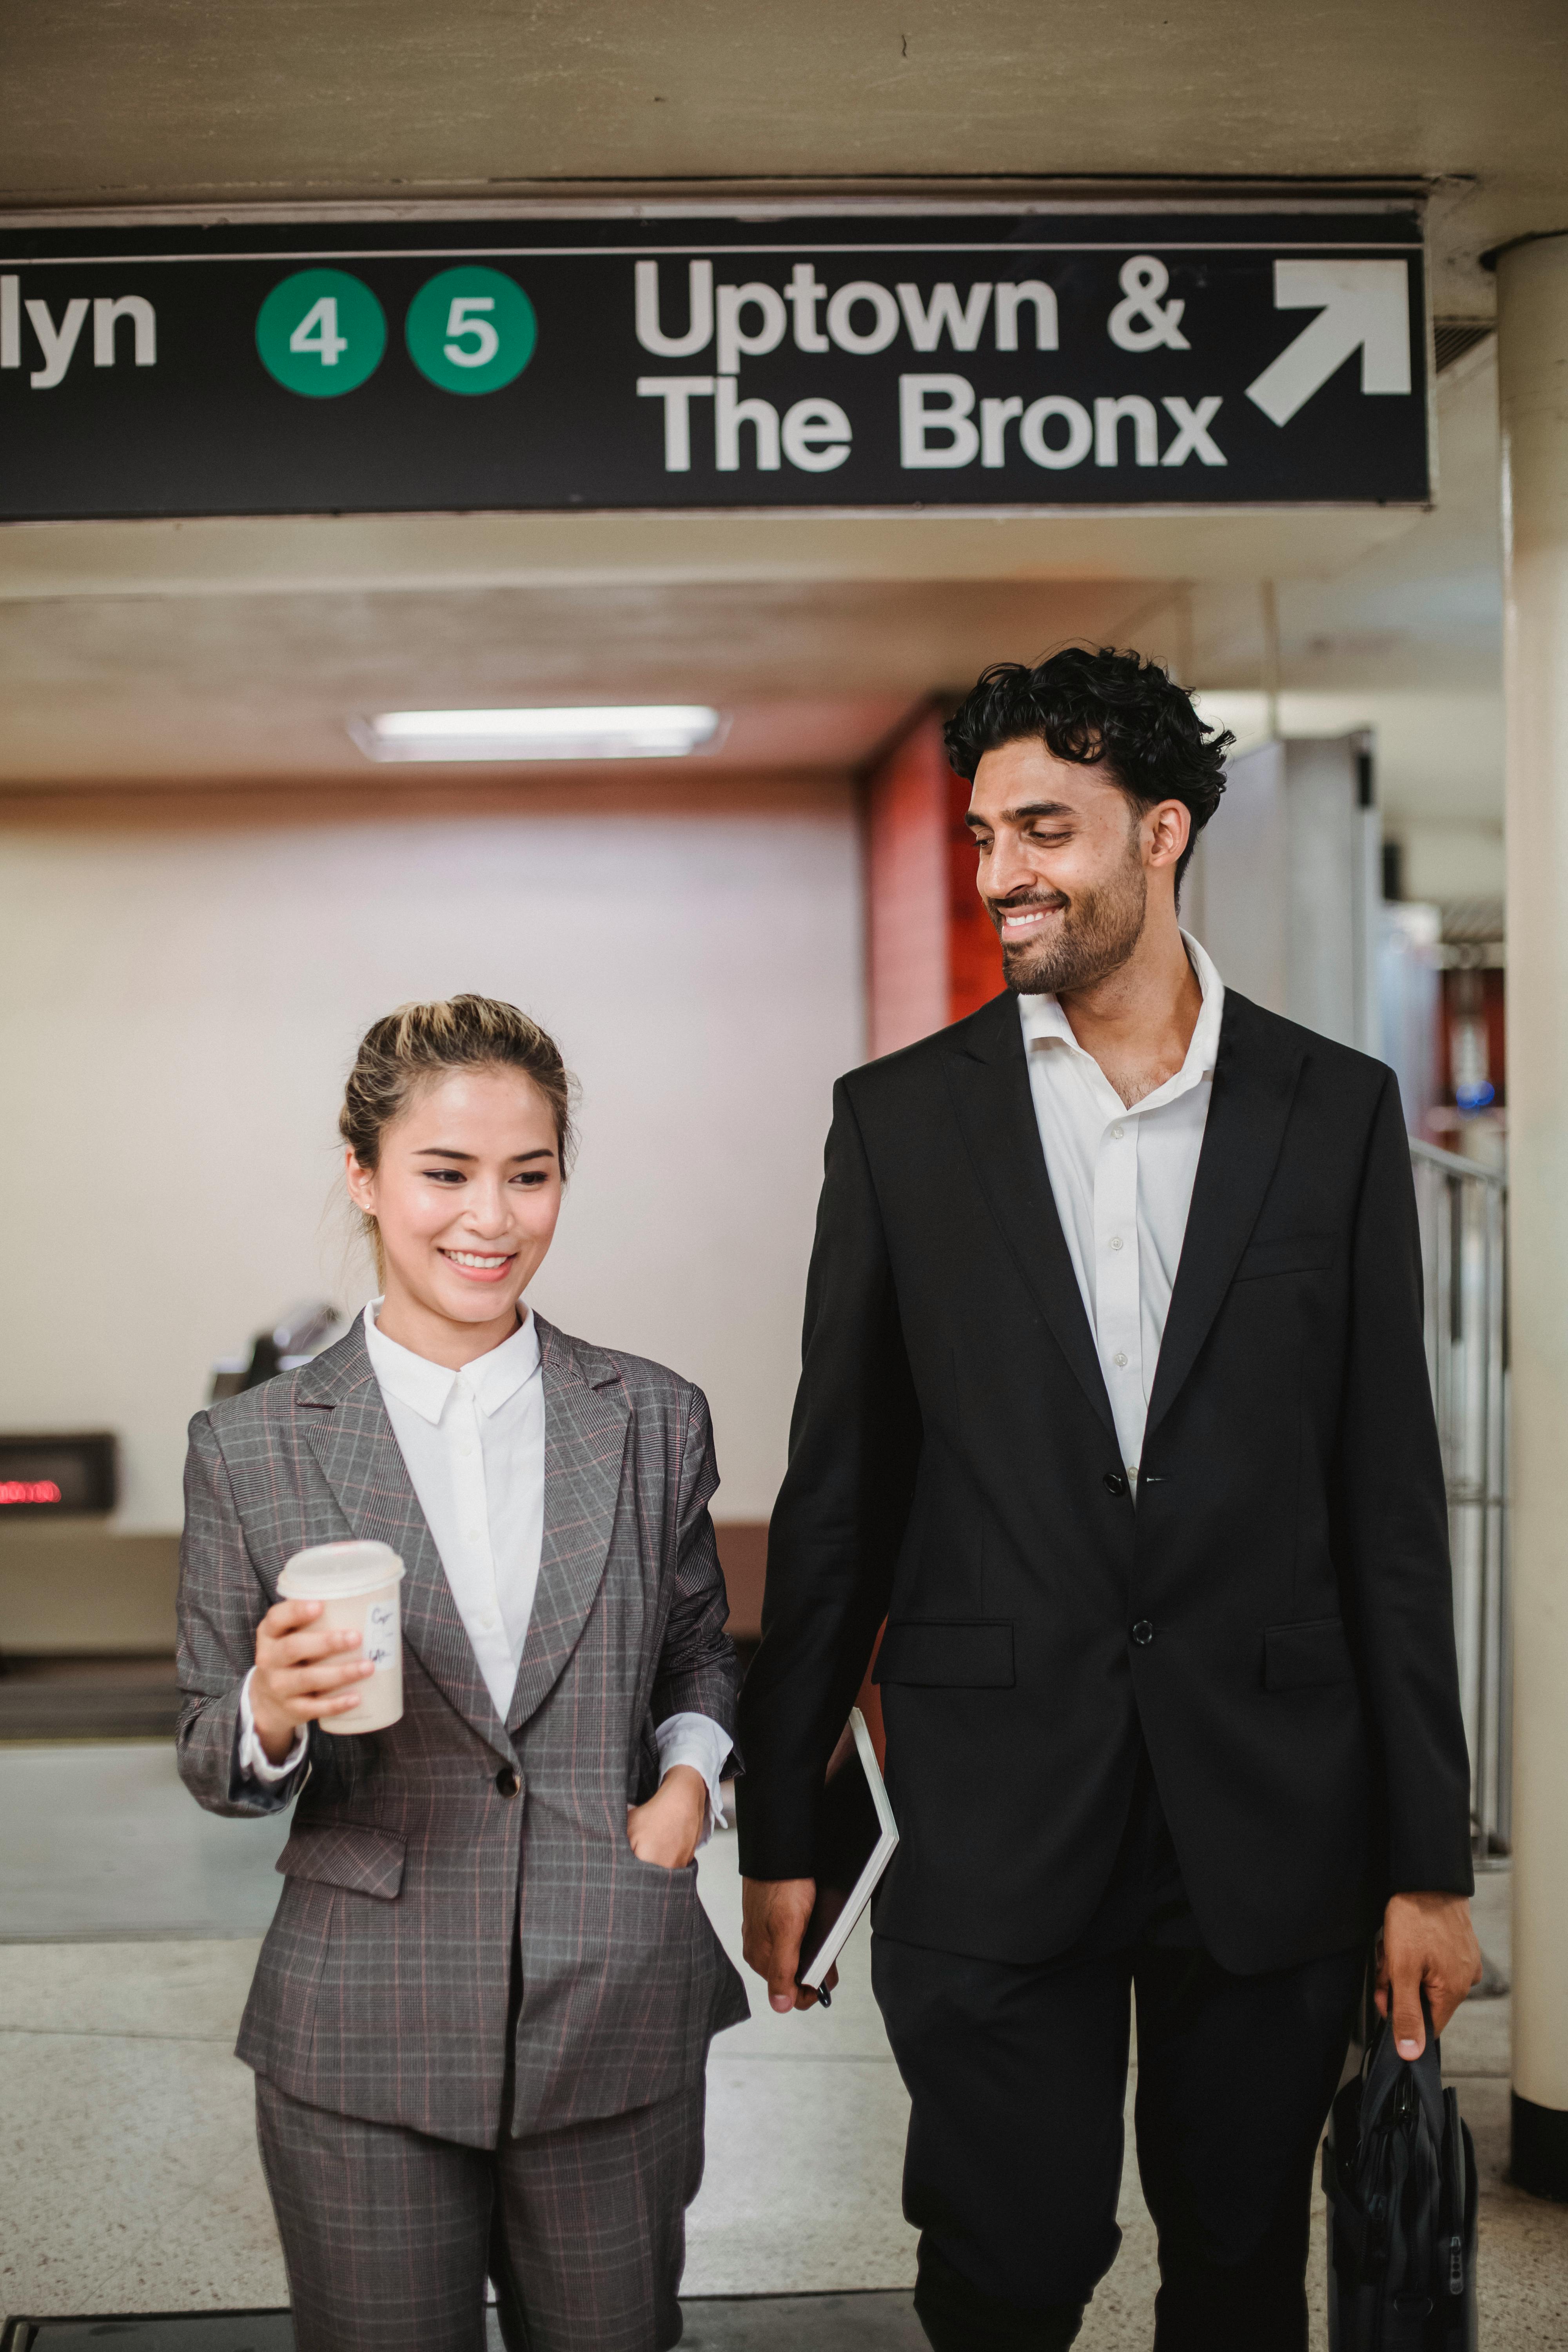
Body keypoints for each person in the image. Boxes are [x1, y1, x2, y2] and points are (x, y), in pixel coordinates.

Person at [735, 649, 1481, 2351]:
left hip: (1275, 1811)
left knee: (1238, 2272)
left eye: (1044, 830)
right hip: (995, 1813)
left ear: (1161, 833)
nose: (1002, 872)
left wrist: (1426, 1868)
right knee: (1004, 2268)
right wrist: (785, 1832)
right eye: (984, 833)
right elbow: (839, 1493)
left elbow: (1385, 1506)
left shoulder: (1335, 1115)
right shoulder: (901, 1128)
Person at [176, 993, 746, 2352]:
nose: (491, 1218)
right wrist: (267, 1709)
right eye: (445, 1174)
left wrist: (685, 1791)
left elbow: (700, 1654)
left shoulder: (653, 1416)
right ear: (367, 1177)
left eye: (530, 1175)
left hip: (612, 1982)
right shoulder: (251, 1448)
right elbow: (211, 1750)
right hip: (360, 2019)